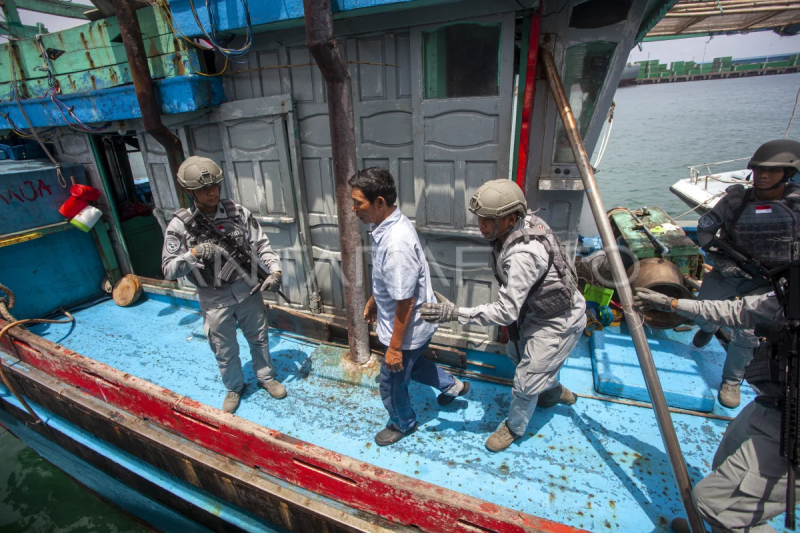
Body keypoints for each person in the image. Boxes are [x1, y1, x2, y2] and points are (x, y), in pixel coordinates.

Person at [421, 179, 586, 452]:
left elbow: (506, 310)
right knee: (516, 355)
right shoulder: (523, 222)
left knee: (526, 379)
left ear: (511, 218)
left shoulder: (523, 254)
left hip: (558, 321)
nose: (481, 226)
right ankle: (553, 391)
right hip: (535, 313)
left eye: (488, 221)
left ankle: (515, 427)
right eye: (480, 219)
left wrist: (454, 313)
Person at [635, 285, 795, 533]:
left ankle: (730, 522)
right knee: (725, 460)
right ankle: (738, 520)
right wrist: (672, 304)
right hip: (771, 403)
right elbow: (743, 310)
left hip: (791, 432)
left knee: (711, 503)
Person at [350, 167, 469, 446]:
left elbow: (405, 300)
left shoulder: (396, 244)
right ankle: (453, 386)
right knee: (412, 367)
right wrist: (374, 300)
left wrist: (393, 348)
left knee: (391, 384)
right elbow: (392, 281)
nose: (353, 209)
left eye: (358, 203)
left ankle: (403, 423)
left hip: (406, 329)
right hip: (412, 325)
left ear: (380, 202)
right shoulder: (385, 224)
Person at [162, 156, 286, 414]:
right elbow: (168, 269)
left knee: (259, 337)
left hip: (247, 288)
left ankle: (265, 377)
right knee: (223, 347)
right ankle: (234, 386)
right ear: (189, 191)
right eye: (203, 189)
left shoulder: (238, 213)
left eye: (215, 186)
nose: (212, 192)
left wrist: (274, 270)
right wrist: (193, 254)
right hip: (213, 297)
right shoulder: (180, 225)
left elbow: (261, 244)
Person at [693, 139, 800, 408]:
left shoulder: (797, 206)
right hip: (728, 270)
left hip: (770, 280)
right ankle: (708, 327)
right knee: (701, 307)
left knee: (746, 334)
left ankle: (731, 381)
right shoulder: (734, 201)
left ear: (788, 174)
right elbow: (705, 229)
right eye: (759, 170)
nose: (763, 176)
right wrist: (720, 259)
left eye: (772, 171)